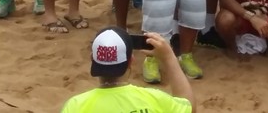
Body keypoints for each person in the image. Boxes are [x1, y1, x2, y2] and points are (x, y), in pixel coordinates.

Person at [61, 27, 195, 112]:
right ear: (131, 61)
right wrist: (169, 58)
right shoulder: (153, 99)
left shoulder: (75, 106)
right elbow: (190, 107)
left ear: (92, 59)